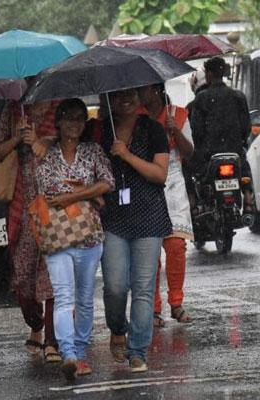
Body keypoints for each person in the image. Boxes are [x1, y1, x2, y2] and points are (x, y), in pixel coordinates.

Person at [90, 88, 172, 373]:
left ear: (138, 97)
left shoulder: (152, 129)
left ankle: (137, 350)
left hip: (148, 216)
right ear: (108, 98)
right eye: (117, 95)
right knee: (114, 286)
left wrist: (126, 155)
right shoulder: (98, 130)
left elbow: (159, 175)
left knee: (144, 288)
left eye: (130, 94)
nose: (125, 99)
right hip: (111, 218)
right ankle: (117, 328)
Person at [35, 99, 114, 380]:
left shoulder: (93, 151)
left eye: (80, 118)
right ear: (58, 121)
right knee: (64, 296)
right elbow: (49, 190)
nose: (74, 123)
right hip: (57, 237)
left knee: (84, 298)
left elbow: (108, 182)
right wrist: (90, 193)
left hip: (90, 237)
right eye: (68, 117)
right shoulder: (46, 152)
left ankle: (80, 354)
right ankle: (69, 353)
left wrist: (73, 194)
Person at [0, 100, 61, 362]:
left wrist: (42, 140)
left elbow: (72, 143)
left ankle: (52, 339)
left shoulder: (60, 105)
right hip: (22, 204)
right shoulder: (11, 110)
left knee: (53, 273)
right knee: (22, 277)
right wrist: (17, 139)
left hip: (54, 202)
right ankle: (36, 322)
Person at [138, 84, 194, 327]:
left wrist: (176, 131)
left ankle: (176, 302)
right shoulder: (135, 117)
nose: (140, 94)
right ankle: (153, 307)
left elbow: (189, 152)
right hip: (145, 183)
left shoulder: (179, 114)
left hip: (172, 187)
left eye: (145, 89)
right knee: (149, 251)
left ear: (157, 90)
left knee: (175, 246)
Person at [187, 57, 254, 212]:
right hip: (234, 149)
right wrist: (240, 142)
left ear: (209, 74)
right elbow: (246, 126)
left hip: (208, 153)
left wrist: (201, 146)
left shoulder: (201, 99)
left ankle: (194, 203)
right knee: (244, 165)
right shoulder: (238, 96)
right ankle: (248, 198)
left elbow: (197, 131)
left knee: (191, 169)